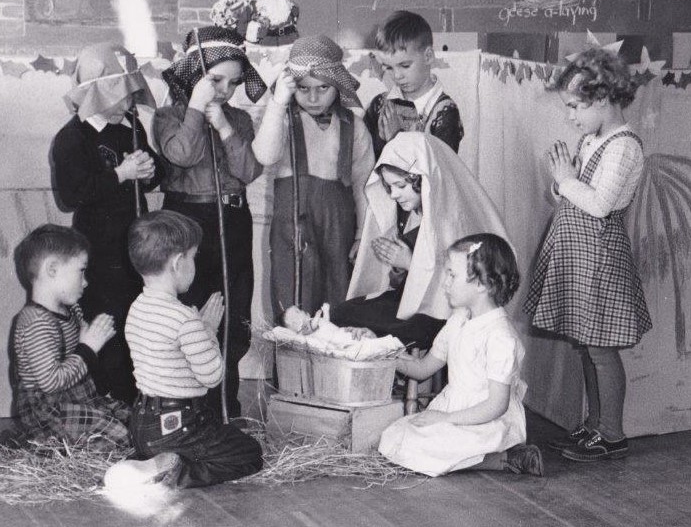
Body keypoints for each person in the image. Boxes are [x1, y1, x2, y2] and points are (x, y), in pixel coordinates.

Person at [524, 47, 652, 462]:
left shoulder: (624, 146)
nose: (572, 116)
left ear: (604, 98)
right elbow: (569, 195)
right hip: (579, 255)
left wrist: (565, 180)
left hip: (599, 258)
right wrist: (558, 183)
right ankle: (595, 425)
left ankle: (612, 433)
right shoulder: (592, 139)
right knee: (586, 344)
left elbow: (598, 204)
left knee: (600, 349)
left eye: (576, 106)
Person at [154, 25, 267, 419]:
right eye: (215, 80)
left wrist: (222, 124)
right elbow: (182, 155)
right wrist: (197, 111)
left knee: (233, 313)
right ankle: (192, 410)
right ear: (192, 75)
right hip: (188, 222)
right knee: (192, 311)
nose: (224, 90)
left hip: (233, 220)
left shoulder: (238, 118)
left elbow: (249, 169)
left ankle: (226, 407)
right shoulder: (168, 116)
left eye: (233, 83)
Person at [52, 42, 164, 405]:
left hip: (135, 245)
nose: (127, 104)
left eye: (131, 96)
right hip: (99, 250)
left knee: (138, 323)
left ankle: (137, 402)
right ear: (93, 95)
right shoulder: (74, 136)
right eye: (118, 97)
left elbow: (151, 173)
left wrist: (148, 171)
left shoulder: (131, 126)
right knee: (109, 326)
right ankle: (109, 403)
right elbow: (71, 194)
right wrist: (119, 174)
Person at [378, 234, 543, 477]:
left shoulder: (499, 336)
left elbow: (496, 405)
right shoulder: (457, 321)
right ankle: (493, 457)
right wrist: (382, 353)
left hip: (485, 419)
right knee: (395, 436)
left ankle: (506, 457)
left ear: (482, 285)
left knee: (420, 446)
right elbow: (423, 368)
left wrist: (445, 419)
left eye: (452, 275)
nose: (445, 283)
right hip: (453, 410)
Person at [121, 210, 263, 488]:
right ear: (177, 262)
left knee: (218, 436)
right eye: (193, 257)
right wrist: (208, 330)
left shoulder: (137, 307)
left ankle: (150, 462)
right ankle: (173, 473)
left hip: (142, 424)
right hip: (179, 425)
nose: (194, 265)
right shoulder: (184, 318)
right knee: (249, 452)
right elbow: (212, 376)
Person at [331, 132, 508, 350]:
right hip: (411, 300)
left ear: (421, 179)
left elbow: (457, 284)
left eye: (400, 186)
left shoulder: (451, 218)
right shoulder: (416, 212)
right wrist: (397, 266)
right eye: (389, 188)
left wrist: (408, 262)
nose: (394, 194)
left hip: (441, 311)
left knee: (400, 327)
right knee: (341, 313)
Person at [253, 34, 375, 319]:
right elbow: (265, 156)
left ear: (338, 86)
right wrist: (279, 102)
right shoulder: (281, 119)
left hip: (339, 230)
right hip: (292, 229)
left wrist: (361, 235)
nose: (313, 97)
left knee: (338, 300)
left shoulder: (353, 126)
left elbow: (364, 186)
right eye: (304, 89)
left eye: (323, 88)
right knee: (295, 305)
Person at [11, 224, 131, 451]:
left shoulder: (71, 309)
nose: (85, 282)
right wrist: (88, 348)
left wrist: (92, 339)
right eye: (81, 271)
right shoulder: (36, 321)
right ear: (52, 269)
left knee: (132, 422)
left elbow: (80, 353)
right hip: (48, 411)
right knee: (121, 438)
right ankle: (46, 448)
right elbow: (50, 383)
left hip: (77, 398)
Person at [365, 10, 464, 158]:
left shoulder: (445, 112)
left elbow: (437, 172)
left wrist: (395, 138)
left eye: (405, 66)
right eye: (389, 67)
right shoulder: (378, 104)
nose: (397, 76)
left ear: (428, 56)